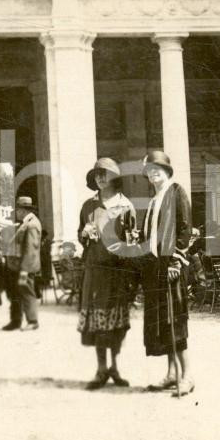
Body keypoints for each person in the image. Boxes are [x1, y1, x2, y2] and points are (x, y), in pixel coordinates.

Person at [77, 157, 137, 389]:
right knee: (97, 322)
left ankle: (115, 366)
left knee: (116, 322)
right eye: (97, 174)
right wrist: (84, 234)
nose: (101, 178)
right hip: (94, 270)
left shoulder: (126, 206)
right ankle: (101, 369)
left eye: (105, 173)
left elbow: (132, 240)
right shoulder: (88, 206)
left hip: (117, 272)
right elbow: (80, 236)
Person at [138, 150, 194, 397]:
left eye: (157, 170)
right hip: (155, 268)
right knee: (162, 322)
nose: (153, 174)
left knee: (175, 321)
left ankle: (187, 376)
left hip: (171, 266)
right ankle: (172, 374)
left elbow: (185, 229)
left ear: (167, 172)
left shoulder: (176, 192)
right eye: (149, 171)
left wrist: (176, 262)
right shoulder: (154, 199)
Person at [3, 196, 42, 331]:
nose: (17, 213)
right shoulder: (27, 222)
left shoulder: (31, 225)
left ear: (23, 210)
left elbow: (31, 249)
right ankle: (18, 320)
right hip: (20, 266)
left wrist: (25, 269)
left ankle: (32, 321)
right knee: (20, 292)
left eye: (18, 210)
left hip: (26, 266)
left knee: (27, 292)